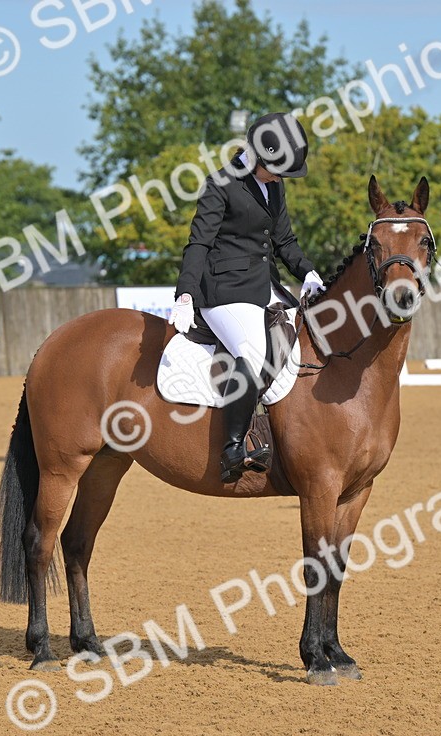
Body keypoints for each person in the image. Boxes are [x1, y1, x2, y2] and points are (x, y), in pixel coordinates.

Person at [168, 112, 324, 483]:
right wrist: (186, 293)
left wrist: (308, 273)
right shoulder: (220, 184)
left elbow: (283, 241)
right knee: (252, 351)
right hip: (223, 290)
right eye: (275, 169)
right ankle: (234, 447)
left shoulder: (274, 185)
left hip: (262, 284)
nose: (279, 177)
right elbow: (199, 243)